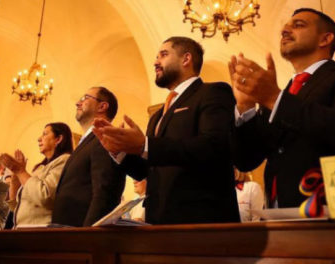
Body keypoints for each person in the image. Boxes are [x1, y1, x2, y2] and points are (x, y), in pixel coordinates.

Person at [229, 8, 335, 208]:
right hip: (279, 214)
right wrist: (245, 106)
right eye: (284, 28)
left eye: (298, 25)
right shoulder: (282, 96)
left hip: (334, 209)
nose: (285, 30)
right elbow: (246, 160)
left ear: (325, 39)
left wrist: (274, 97)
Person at [94, 36, 240, 224]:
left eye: (163, 55)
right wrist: (120, 151)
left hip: (201, 219)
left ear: (186, 59)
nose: (155, 62)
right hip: (159, 219)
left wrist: (144, 144)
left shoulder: (212, 92)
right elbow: (148, 171)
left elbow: (212, 146)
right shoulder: (157, 116)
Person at [51, 87, 126, 227]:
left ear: (102, 106)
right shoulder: (87, 142)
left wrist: (89, 233)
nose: (78, 103)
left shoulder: (103, 138)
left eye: (85, 98)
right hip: (66, 230)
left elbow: (104, 192)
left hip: (81, 232)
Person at [0, 122, 73, 228]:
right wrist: (16, 174)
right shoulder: (39, 168)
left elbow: (44, 196)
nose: (39, 138)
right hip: (22, 228)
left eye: (45, 134)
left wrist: (21, 171)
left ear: (58, 139)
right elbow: (15, 205)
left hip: (41, 229)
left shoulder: (64, 160)